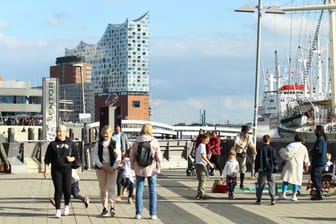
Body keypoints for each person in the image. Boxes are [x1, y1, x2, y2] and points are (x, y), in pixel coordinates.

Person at [44, 125, 80, 218]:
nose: (59, 133)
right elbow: (47, 158)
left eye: (60, 132)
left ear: (65, 132)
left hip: (67, 169)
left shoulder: (71, 143)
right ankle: (58, 210)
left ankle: (67, 206)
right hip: (56, 170)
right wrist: (46, 169)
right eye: (57, 131)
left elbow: (76, 156)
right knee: (58, 189)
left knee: (67, 190)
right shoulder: (52, 144)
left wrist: (72, 159)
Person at [130, 123, 162, 220]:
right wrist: (159, 166)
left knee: (139, 190)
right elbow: (158, 157)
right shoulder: (154, 141)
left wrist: (132, 166)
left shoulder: (136, 142)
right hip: (151, 168)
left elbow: (132, 156)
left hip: (139, 168)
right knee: (152, 190)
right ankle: (153, 214)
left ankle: (138, 213)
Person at [93, 125, 121, 217]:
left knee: (112, 187)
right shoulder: (98, 144)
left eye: (107, 133)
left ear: (111, 133)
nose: (105, 135)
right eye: (104, 133)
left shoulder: (115, 143)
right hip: (101, 168)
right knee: (103, 188)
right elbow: (95, 156)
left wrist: (113, 167)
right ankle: (104, 208)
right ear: (101, 134)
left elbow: (118, 156)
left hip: (112, 167)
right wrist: (101, 165)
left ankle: (112, 206)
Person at [278, 134, 310, 201]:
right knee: (296, 180)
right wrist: (306, 165)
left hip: (290, 163)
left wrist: (281, 150)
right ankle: (294, 196)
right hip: (299, 164)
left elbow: (285, 154)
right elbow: (306, 158)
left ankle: (283, 194)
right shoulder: (303, 147)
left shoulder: (291, 145)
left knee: (286, 179)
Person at [254, 135, 277, 205]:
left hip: (262, 169)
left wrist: (256, 169)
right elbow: (275, 159)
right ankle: (273, 199)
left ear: (263, 140)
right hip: (271, 169)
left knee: (260, 184)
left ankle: (259, 199)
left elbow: (257, 160)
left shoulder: (260, 149)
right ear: (269, 140)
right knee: (271, 183)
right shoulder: (273, 149)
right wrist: (274, 167)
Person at [112, 124, 130, 202]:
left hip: (122, 155)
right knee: (119, 176)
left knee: (123, 174)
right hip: (115, 156)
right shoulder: (112, 135)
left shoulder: (123, 136)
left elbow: (127, 144)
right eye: (116, 129)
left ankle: (124, 188)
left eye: (118, 129)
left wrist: (127, 154)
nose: (117, 130)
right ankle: (122, 189)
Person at [194, 133, 214, 200]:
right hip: (201, 164)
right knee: (203, 180)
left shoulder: (200, 145)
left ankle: (199, 194)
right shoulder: (202, 146)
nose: (208, 140)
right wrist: (209, 163)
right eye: (207, 139)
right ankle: (201, 195)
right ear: (203, 139)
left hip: (198, 164)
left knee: (201, 180)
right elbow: (203, 156)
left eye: (208, 139)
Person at [310, 125, 327, 200]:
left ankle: (319, 191)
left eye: (315, 130)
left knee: (314, 176)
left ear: (319, 131)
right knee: (318, 177)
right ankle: (318, 193)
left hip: (318, 161)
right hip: (321, 161)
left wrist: (312, 151)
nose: (314, 131)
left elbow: (318, 150)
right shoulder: (323, 139)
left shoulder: (320, 139)